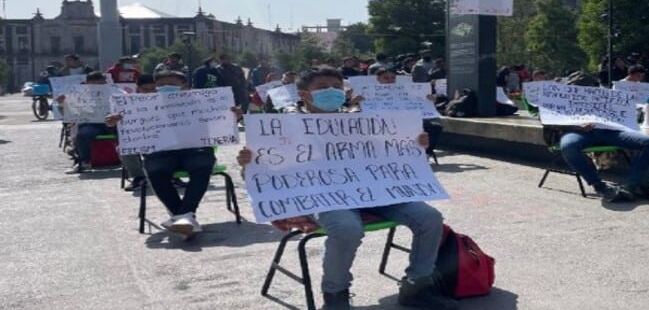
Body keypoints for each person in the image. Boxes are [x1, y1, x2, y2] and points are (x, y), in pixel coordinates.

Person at [236, 68, 457, 310]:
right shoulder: (284, 127)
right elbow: (261, 176)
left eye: (336, 87)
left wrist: (415, 145)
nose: (331, 91)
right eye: (322, 87)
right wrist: (249, 163)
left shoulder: (362, 120)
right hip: (321, 196)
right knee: (346, 228)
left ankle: (416, 286)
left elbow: (391, 153)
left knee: (430, 218)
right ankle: (336, 295)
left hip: (374, 191)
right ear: (304, 94)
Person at [107, 70, 242, 237]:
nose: (165, 88)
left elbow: (220, 124)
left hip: (195, 150)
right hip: (161, 153)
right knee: (156, 171)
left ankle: (182, 217)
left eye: (171, 85)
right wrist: (117, 122)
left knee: (202, 166)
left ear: (185, 86)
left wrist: (233, 116)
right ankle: (185, 218)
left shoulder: (203, 103)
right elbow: (130, 132)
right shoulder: (140, 106)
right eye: (161, 85)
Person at [59, 71, 113, 174]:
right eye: (94, 84)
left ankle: (133, 162)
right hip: (91, 124)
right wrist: (62, 103)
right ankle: (84, 162)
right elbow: (68, 115)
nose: (97, 87)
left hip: (113, 122)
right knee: (82, 135)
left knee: (126, 134)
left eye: (100, 84)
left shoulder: (114, 91)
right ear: (87, 83)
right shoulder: (78, 95)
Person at [121, 74, 157, 191]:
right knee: (123, 148)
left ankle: (172, 177)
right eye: (145, 90)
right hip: (139, 137)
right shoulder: (127, 103)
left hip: (161, 137)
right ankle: (139, 177)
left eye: (153, 89)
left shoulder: (166, 100)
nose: (150, 92)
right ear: (138, 89)